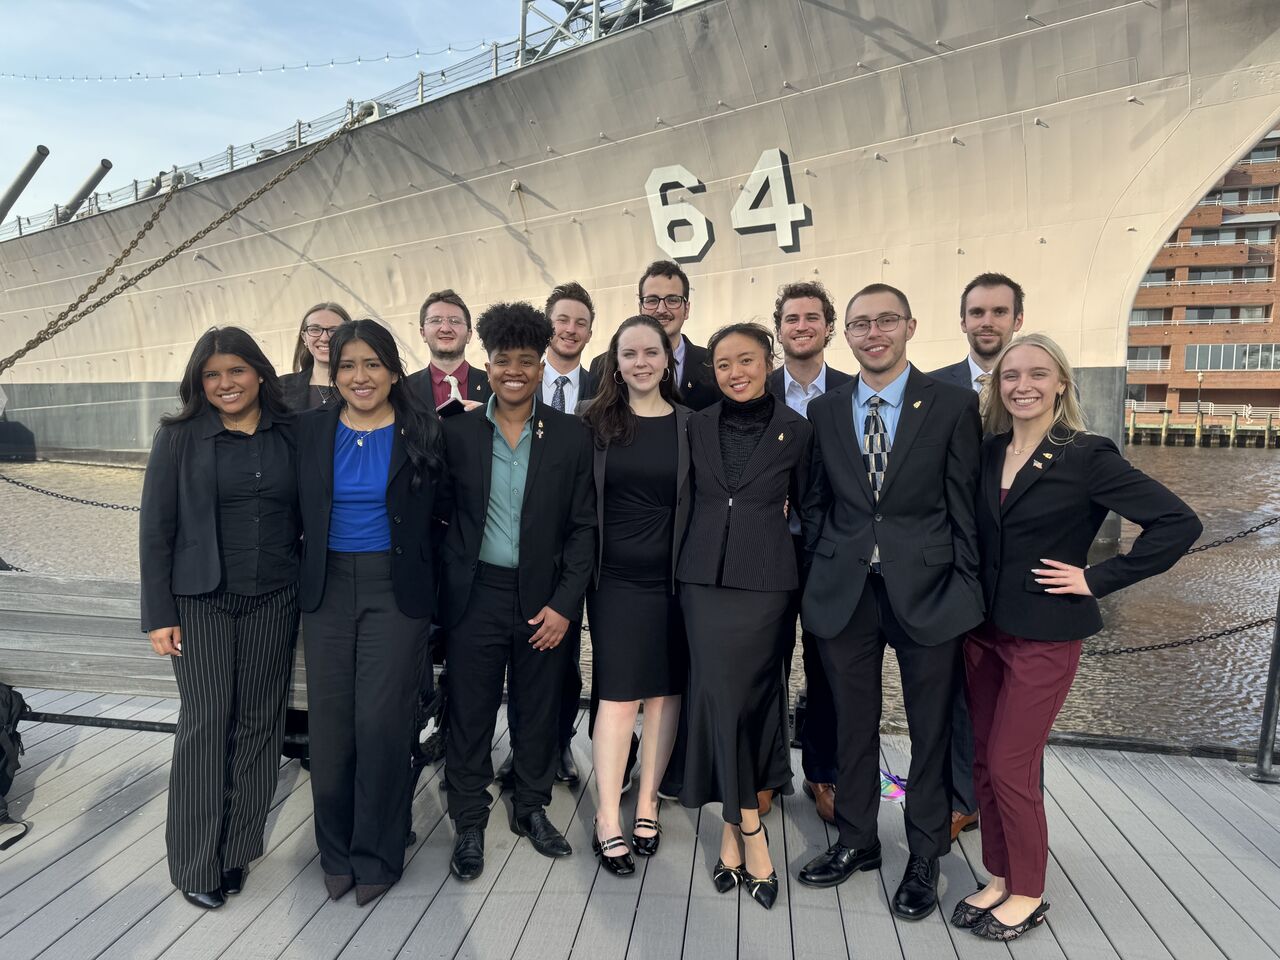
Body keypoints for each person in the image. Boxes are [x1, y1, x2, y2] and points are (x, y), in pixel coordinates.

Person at [951, 333, 1200, 941]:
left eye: (1038, 374)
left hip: (1046, 633)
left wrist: (1096, 578)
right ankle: (1000, 876)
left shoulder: (1086, 455)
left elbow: (1178, 523)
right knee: (984, 759)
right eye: (1011, 375)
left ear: (1061, 382)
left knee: (1012, 763)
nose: (1023, 386)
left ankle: (1029, 891)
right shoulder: (987, 451)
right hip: (982, 631)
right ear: (996, 386)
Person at [797, 284, 984, 925]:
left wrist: (967, 589)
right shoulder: (826, 409)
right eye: (859, 324)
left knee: (931, 730)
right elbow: (817, 502)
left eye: (885, 321)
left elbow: (965, 505)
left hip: (930, 591)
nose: (872, 333)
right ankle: (858, 838)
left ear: (910, 325)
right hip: (845, 590)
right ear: (844, 335)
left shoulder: (953, 404)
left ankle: (925, 854)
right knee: (853, 722)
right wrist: (817, 570)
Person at [139, 326, 300, 911]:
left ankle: (236, 848)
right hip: (201, 602)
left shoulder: (291, 432)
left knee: (260, 723)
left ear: (259, 373)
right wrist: (159, 614)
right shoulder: (179, 437)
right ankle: (193, 861)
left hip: (275, 596)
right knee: (206, 724)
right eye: (212, 375)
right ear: (198, 383)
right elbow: (155, 529)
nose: (225, 383)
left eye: (236, 371)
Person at [436, 302, 595, 882]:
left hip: (543, 600)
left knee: (538, 707)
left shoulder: (571, 436)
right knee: (469, 710)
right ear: (488, 365)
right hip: (474, 595)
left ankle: (531, 806)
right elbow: (436, 518)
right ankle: (469, 818)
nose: (514, 372)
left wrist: (564, 605)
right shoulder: (456, 432)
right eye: (504, 360)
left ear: (540, 366)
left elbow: (584, 528)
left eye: (527, 361)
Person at [295, 319, 443, 907]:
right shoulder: (309, 430)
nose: (361, 377)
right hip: (327, 590)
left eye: (373, 364)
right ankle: (335, 851)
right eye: (348, 365)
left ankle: (378, 852)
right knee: (331, 728)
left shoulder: (424, 430)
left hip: (395, 591)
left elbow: (447, 515)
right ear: (334, 373)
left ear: (393, 371)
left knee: (382, 725)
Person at [677, 322, 812, 911]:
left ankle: (736, 832)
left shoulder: (797, 430)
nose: (735, 373)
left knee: (751, 701)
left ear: (768, 362)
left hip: (766, 584)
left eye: (747, 361)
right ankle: (749, 828)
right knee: (719, 698)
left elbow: (810, 508)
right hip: (702, 580)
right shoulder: (694, 425)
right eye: (724, 363)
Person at [580, 314, 691, 876]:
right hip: (614, 582)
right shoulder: (593, 421)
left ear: (668, 360)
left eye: (652, 352)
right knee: (619, 697)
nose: (641, 362)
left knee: (666, 695)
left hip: (674, 583)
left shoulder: (692, 424)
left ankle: (648, 803)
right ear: (615, 363)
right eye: (630, 354)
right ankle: (607, 816)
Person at [929, 272, 1027, 841]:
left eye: (998, 312)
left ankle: (1009, 808)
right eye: (977, 312)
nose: (987, 322)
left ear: (1017, 319)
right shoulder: (935, 389)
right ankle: (961, 797)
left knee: (1017, 700)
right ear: (963, 320)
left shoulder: (1035, 385)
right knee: (955, 689)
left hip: (1016, 566)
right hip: (950, 562)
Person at [494, 281, 599, 789]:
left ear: (590, 332)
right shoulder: (508, 386)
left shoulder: (605, 385)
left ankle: (557, 746)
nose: (571, 329)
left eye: (581, 322)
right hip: (511, 559)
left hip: (569, 557)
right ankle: (521, 752)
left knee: (563, 666)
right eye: (563, 319)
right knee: (515, 666)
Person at [766, 280, 852, 825]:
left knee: (828, 665)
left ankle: (824, 772)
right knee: (764, 661)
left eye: (811, 318)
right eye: (791, 319)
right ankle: (769, 771)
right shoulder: (755, 388)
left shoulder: (852, 391)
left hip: (832, 550)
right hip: (768, 549)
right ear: (779, 330)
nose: (801, 327)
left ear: (828, 327)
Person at [590, 260, 718, 410]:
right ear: (640, 308)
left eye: (672, 300)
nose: (661, 309)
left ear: (687, 309)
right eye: (652, 300)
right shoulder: (602, 366)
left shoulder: (712, 363)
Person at [405, 289, 489, 412]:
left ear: (469, 334)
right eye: (435, 320)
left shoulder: (493, 385)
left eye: (454, 321)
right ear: (423, 333)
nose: (445, 328)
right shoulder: (403, 390)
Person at [279, 302, 354, 411]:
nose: (324, 338)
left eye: (334, 331)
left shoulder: (364, 385)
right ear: (304, 338)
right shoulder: (282, 387)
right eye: (315, 329)